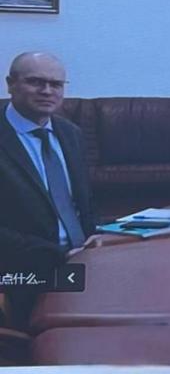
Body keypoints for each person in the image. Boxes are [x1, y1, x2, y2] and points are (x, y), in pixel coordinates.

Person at [0, 52, 95, 327]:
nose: (47, 91)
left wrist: (96, 239)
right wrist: (54, 255)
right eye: (35, 82)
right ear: (10, 84)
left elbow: (84, 204)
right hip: (19, 269)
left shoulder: (71, 134)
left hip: (82, 259)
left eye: (56, 84)